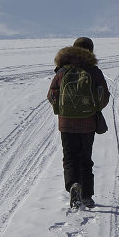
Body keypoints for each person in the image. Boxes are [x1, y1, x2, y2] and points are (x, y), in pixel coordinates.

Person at [47, 36, 110, 209]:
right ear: (91, 50)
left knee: (69, 157)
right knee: (85, 158)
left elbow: (51, 94)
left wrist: (62, 110)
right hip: (88, 122)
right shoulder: (93, 71)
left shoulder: (62, 70)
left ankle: (73, 185)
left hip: (66, 123)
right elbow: (104, 96)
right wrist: (94, 108)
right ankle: (87, 196)